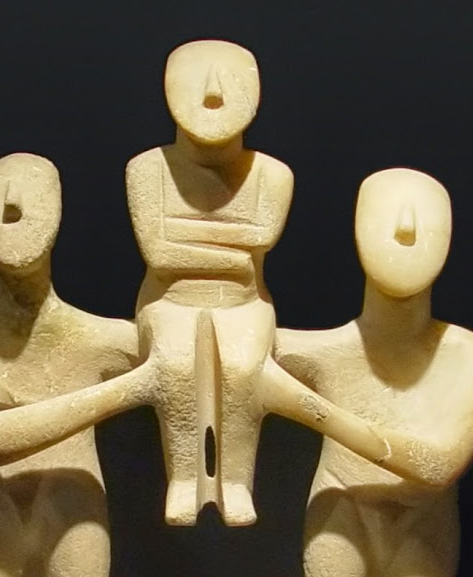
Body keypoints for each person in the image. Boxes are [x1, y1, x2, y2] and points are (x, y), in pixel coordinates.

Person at [0, 153, 150, 577]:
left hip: (70, 512)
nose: (12, 202)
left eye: (30, 192)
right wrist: (133, 388)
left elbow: (189, 353)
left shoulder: (95, 337)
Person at [275, 168, 473, 577]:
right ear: (357, 230)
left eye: (426, 217)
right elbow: (223, 346)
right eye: (386, 214)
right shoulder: (325, 352)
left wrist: (305, 406)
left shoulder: (472, 357)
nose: (406, 227)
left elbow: (437, 466)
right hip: (342, 515)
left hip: (422, 526)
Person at [126, 39, 294, 526]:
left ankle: (236, 481)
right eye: (196, 78)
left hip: (246, 305)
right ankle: (184, 479)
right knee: (177, 362)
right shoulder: (147, 170)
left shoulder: (272, 176)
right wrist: (236, 252)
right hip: (167, 304)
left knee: (243, 366)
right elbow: (159, 255)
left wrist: (192, 239)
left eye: (229, 79)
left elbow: (264, 238)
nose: (214, 92)